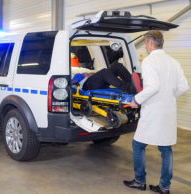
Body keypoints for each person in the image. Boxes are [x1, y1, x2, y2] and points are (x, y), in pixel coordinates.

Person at [123, 30, 189, 194]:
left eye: (145, 43)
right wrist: (167, 97)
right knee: (166, 149)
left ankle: (139, 181)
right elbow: (184, 87)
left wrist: (135, 100)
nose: (145, 46)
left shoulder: (149, 61)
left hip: (153, 112)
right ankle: (164, 186)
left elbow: (153, 87)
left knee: (137, 145)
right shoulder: (173, 62)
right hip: (168, 111)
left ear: (150, 43)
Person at [72, 62, 141, 95]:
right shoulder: (75, 74)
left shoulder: (87, 72)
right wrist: (84, 75)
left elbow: (94, 75)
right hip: (87, 85)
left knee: (118, 66)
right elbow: (73, 82)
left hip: (98, 82)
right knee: (104, 71)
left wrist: (91, 74)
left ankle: (133, 84)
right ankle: (128, 89)